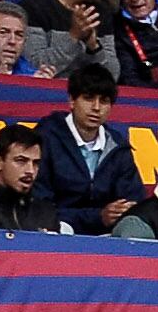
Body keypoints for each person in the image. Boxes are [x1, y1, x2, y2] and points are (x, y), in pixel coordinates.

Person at [40, 61, 144, 233]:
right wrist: (98, 217)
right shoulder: (45, 138)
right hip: (55, 233)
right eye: (88, 98)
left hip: (107, 238)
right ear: (72, 100)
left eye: (104, 101)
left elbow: (134, 201)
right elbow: (39, 205)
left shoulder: (118, 147)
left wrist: (124, 211)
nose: (96, 108)